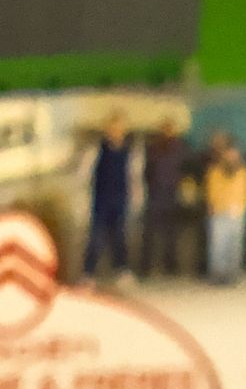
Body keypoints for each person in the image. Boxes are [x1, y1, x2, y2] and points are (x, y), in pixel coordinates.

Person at [82, 113, 134, 282]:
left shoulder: (129, 152)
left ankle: (122, 270)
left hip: (120, 200)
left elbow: (133, 176)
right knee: (96, 238)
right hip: (101, 201)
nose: (116, 132)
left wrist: (135, 199)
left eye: (119, 128)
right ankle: (88, 273)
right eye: (113, 128)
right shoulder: (96, 150)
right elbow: (84, 175)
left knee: (120, 237)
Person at [139, 119, 191, 280]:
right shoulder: (153, 148)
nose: (167, 131)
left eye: (170, 128)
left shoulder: (181, 148)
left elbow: (187, 169)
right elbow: (145, 170)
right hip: (155, 194)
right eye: (165, 128)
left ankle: (171, 267)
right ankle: (146, 267)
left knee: (171, 233)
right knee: (150, 233)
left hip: (173, 194)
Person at [203, 133, 246, 285]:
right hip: (218, 213)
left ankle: (233, 275)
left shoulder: (243, 172)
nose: (231, 156)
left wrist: (242, 207)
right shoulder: (215, 171)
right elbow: (211, 191)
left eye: (234, 153)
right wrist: (215, 206)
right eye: (229, 153)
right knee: (218, 246)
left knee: (235, 246)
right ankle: (217, 276)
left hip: (237, 214)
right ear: (224, 154)